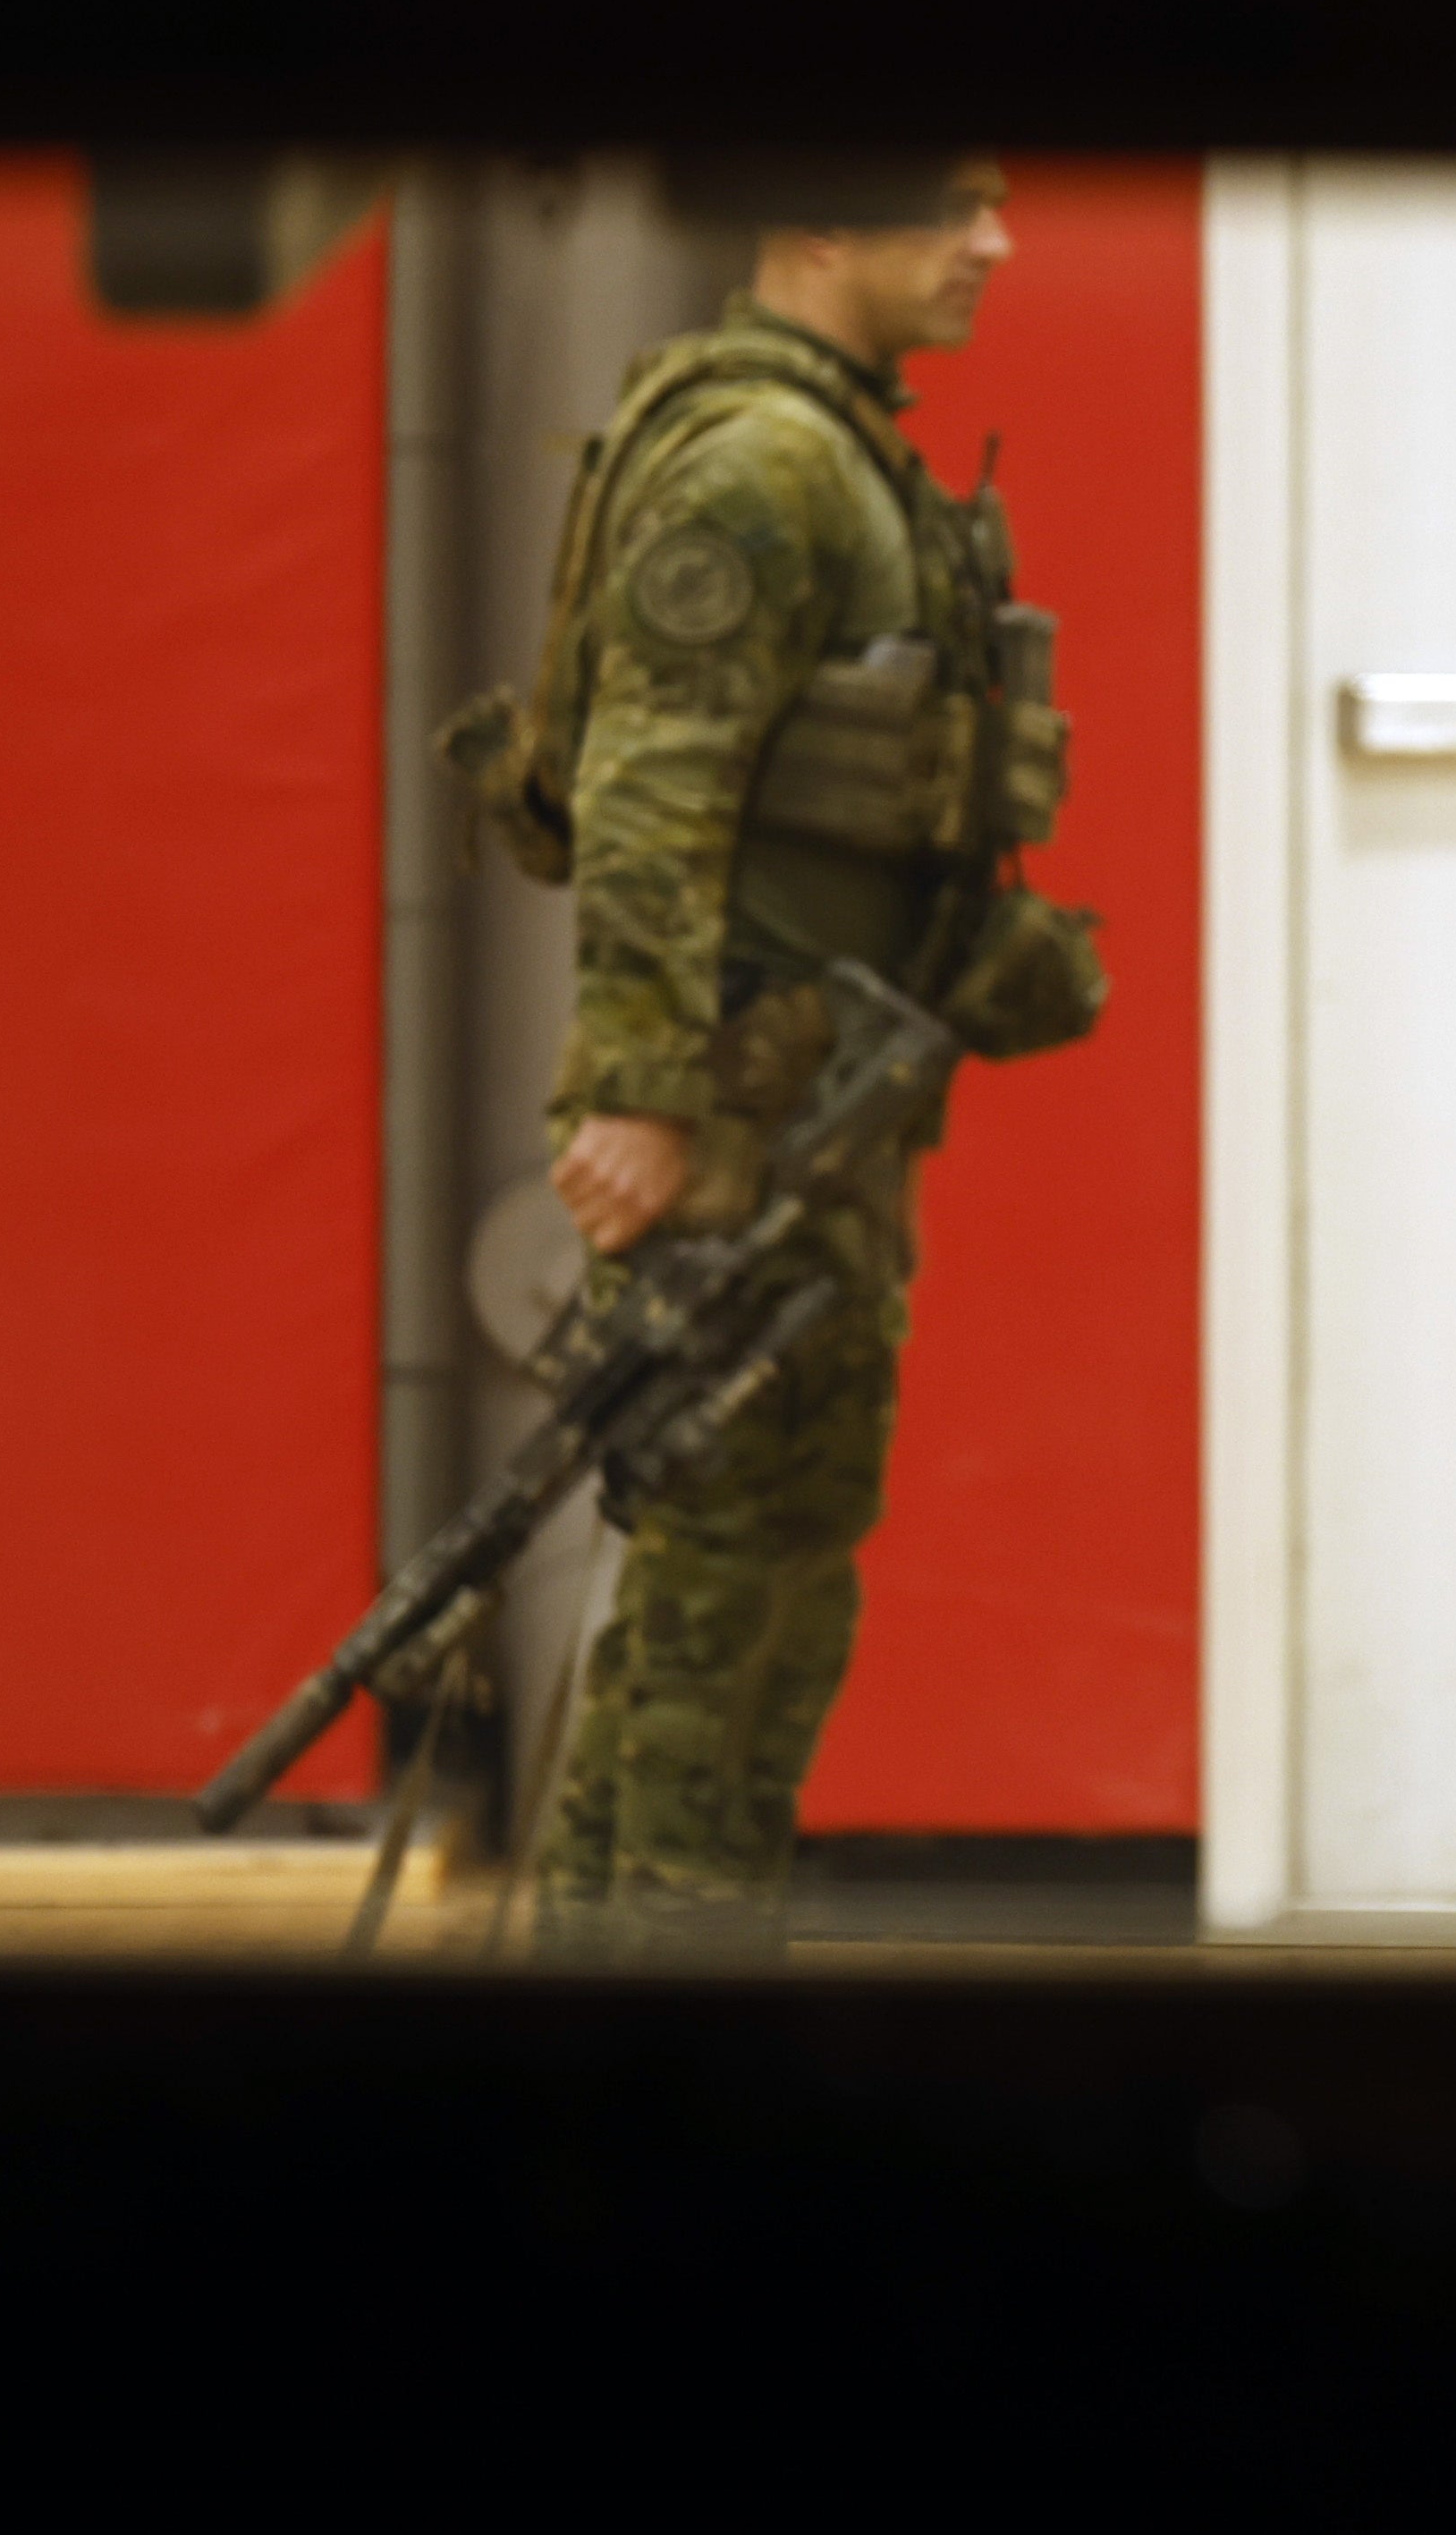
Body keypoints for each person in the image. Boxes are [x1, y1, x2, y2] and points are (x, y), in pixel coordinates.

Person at [443, 155, 1105, 1948]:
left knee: (747, 1588)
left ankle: (628, 1977)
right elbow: (655, 796)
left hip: (811, 1114)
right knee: (726, 1605)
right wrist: (653, 1102)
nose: (997, 241)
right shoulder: (761, 463)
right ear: (822, 217)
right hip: (740, 1129)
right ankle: (657, 2000)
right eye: (950, 204)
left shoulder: (842, 451)